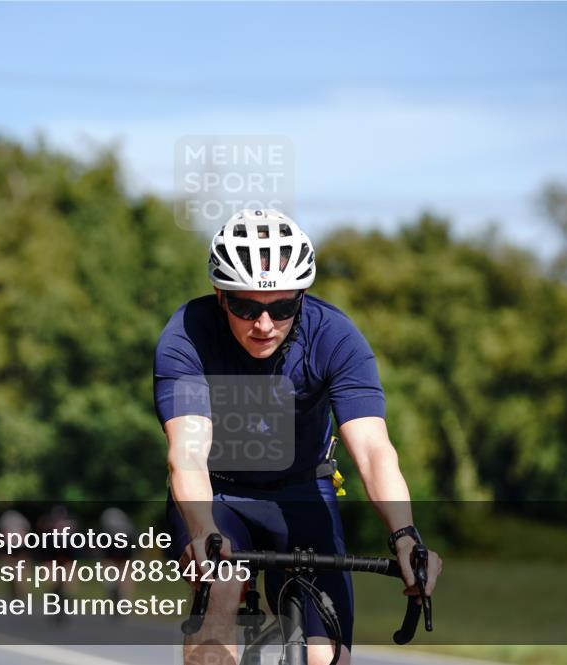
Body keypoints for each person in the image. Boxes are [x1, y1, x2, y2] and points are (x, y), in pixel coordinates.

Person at [155, 210, 444, 665]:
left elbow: (372, 450)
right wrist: (204, 531)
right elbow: (187, 453)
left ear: (303, 298)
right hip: (219, 493)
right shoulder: (188, 335)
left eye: (283, 307)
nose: (264, 324)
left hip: (303, 490)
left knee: (327, 658)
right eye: (246, 307)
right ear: (220, 296)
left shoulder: (335, 337)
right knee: (224, 585)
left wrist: (406, 536)